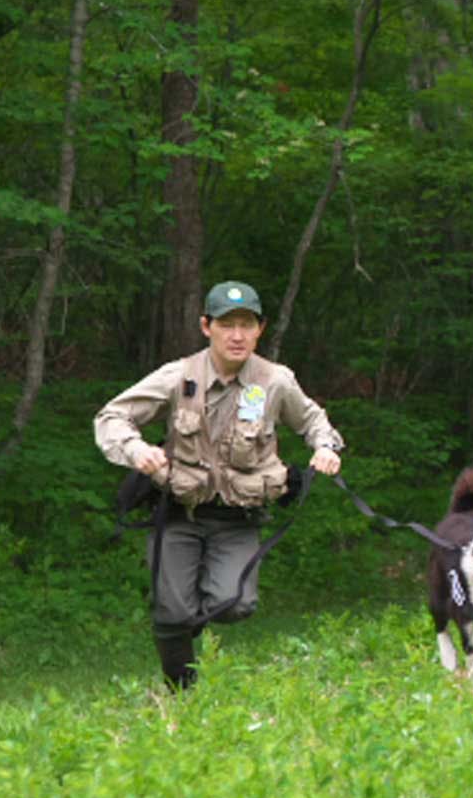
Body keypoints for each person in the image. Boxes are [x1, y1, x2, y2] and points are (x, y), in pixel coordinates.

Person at [94, 282, 344, 688]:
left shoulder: (275, 382)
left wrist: (326, 447)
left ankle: (185, 624)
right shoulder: (178, 377)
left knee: (236, 604)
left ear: (260, 329)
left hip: (238, 519)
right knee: (172, 612)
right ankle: (182, 692)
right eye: (227, 325)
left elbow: (314, 420)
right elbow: (111, 417)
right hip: (178, 512)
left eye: (246, 324)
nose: (237, 335)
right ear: (206, 326)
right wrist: (136, 449)